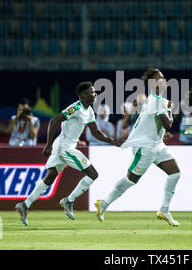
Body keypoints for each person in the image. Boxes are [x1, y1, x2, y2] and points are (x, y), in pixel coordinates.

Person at [15, 82, 121, 226]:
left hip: (65, 145)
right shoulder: (75, 108)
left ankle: (25, 205)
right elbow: (54, 120)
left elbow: (95, 132)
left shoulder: (88, 110)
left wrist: (113, 141)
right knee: (93, 174)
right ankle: (69, 201)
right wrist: (48, 144)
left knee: (50, 177)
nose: (95, 94)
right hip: (65, 147)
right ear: (83, 95)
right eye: (92, 92)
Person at [94, 68, 181, 226]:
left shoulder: (155, 100)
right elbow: (168, 123)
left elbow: (153, 124)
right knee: (131, 180)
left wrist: (161, 134)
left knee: (175, 173)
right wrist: (170, 108)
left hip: (156, 144)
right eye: (161, 78)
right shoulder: (156, 101)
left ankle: (164, 210)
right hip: (145, 147)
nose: (164, 79)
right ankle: (104, 204)